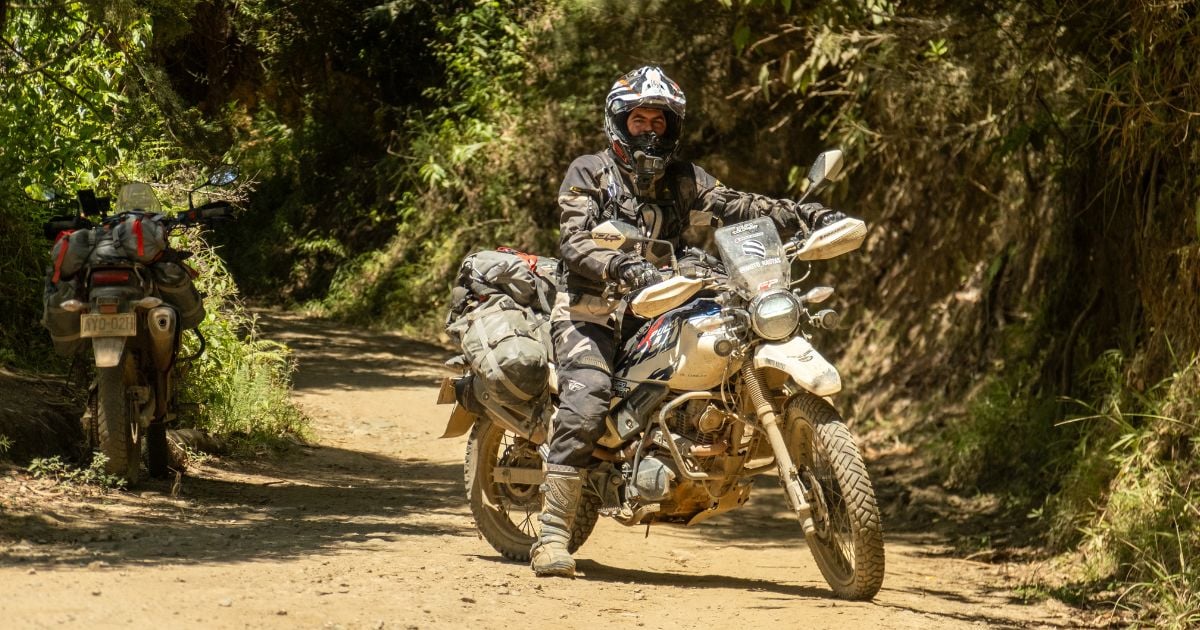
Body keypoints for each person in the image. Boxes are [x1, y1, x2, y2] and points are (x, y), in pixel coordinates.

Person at [531, 65, 849, 577]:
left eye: (659, 121)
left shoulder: (684, 178)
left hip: (670, 296)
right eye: (640, 120)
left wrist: (809, 216)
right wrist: (623, 265)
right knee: (587, 395)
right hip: (594, 306)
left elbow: (737, 204)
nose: (650, 130)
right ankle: (550, 536)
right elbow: (574, 240)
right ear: (619, 123)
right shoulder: (589, 171)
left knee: (724, 343)